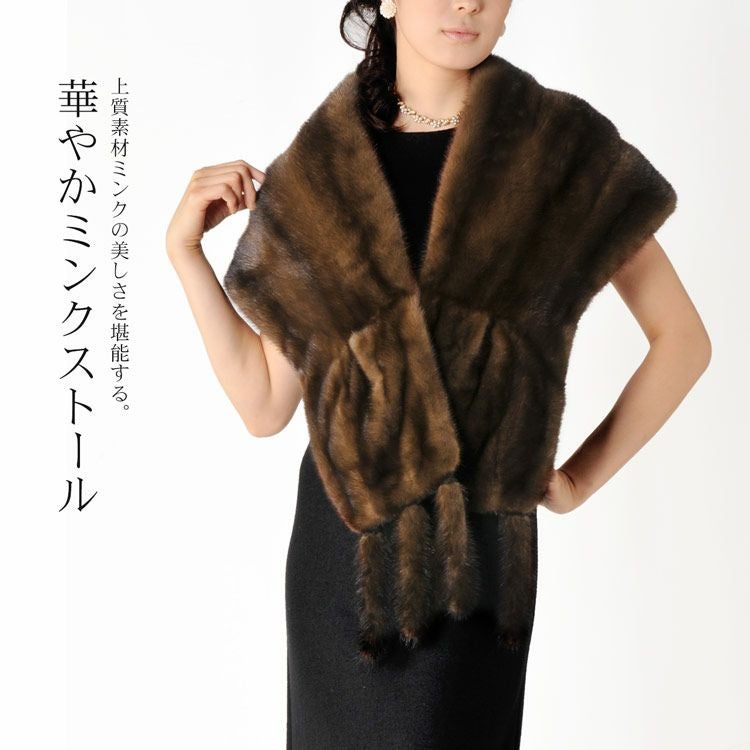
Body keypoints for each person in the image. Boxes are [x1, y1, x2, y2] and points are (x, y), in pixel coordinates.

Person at [166, 1, 711, 747]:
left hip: (471, 560)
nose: (468, 2)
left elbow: (683, 341)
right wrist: (186, 257)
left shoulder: (555, 149)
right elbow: (265, 404)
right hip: (341, 557)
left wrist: (577, 481)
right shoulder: (322, 167)